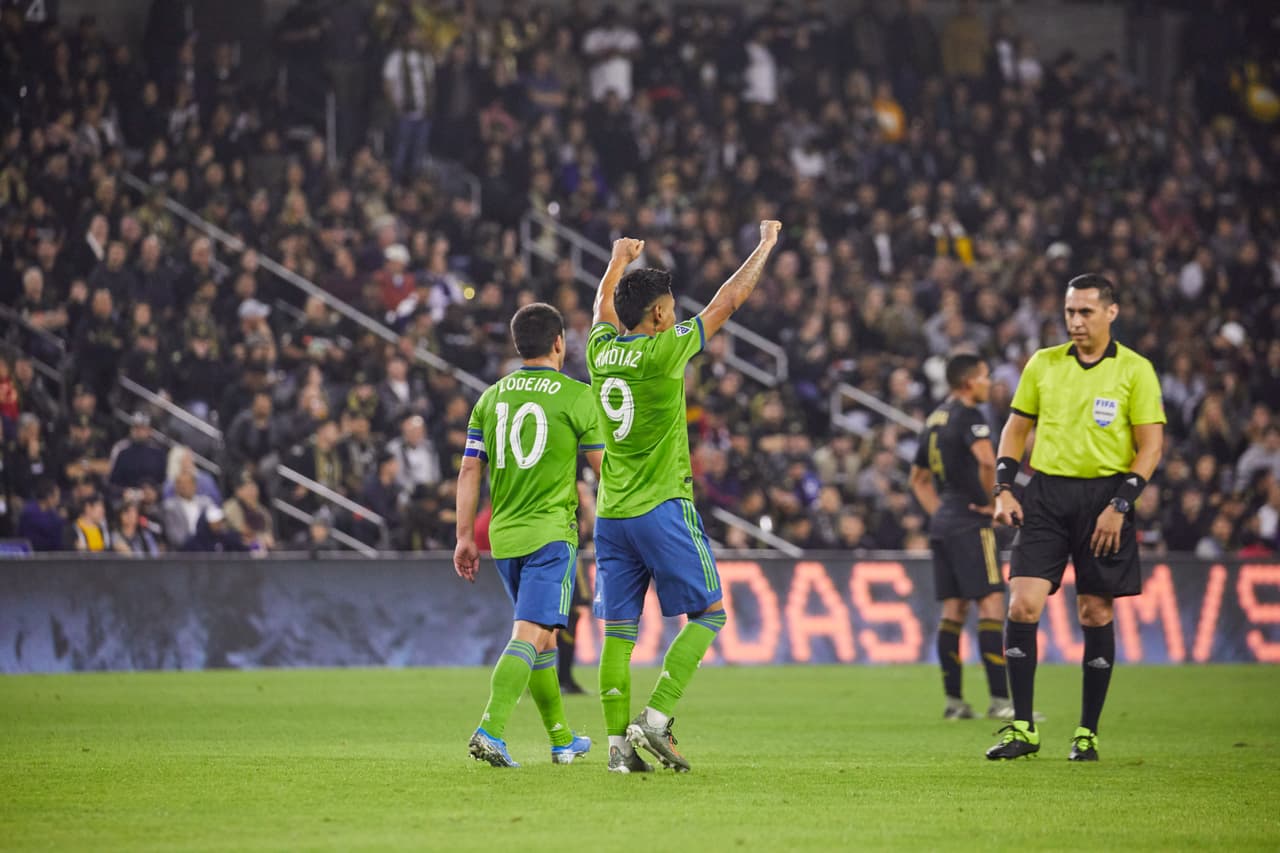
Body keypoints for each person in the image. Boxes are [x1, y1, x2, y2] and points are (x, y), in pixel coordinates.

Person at [587, 223, 781, 773]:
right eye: (669, 308)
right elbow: (730, 300)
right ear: (657, 317)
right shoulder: (664, 351)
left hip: (612, 515)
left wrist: (616, 259)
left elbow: (603, 304)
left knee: (619, 635)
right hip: (662, 506)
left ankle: (617, 749)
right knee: (710, 613)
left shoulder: (599, 350)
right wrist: (764, 247)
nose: (675, 315)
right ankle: (655, 718)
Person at [986, 275, 1164, 762]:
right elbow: (1015, 429)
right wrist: (1004, 487)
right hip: (1045, 493)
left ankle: (1087, 732)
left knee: (1095, 612)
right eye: (1070, 312)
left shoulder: (1135, 370)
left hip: (1106, 497)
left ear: (1111, 312)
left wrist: (1121, 505)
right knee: (1022, 605)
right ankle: (1022, 728)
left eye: (1086, 311)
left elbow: (1150, 446)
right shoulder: (1043, 364)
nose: (1076, 321)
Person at [455, 302, 604, 768]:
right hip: (551, 537)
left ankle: (561, 740)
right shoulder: (578, 397)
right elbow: (606, 468)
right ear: (559, 342)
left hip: (503, 537)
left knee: (543, 638)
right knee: (530, 632)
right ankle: (490, 729)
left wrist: (463, 536)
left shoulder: (491, 398)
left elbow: (468, 469)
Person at [910, 353, 1015, 720]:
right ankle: (1001, 702)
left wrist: (940, 514)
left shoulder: (934, 418)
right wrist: (992, 503)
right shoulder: (971, 416)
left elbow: (918, 481)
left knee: (952, 612)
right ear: (969, 382)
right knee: (990, 606)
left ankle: (954, 702)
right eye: (986, 376)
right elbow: (988, 461)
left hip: (943, 525)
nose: (990, 383)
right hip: (972, 523)